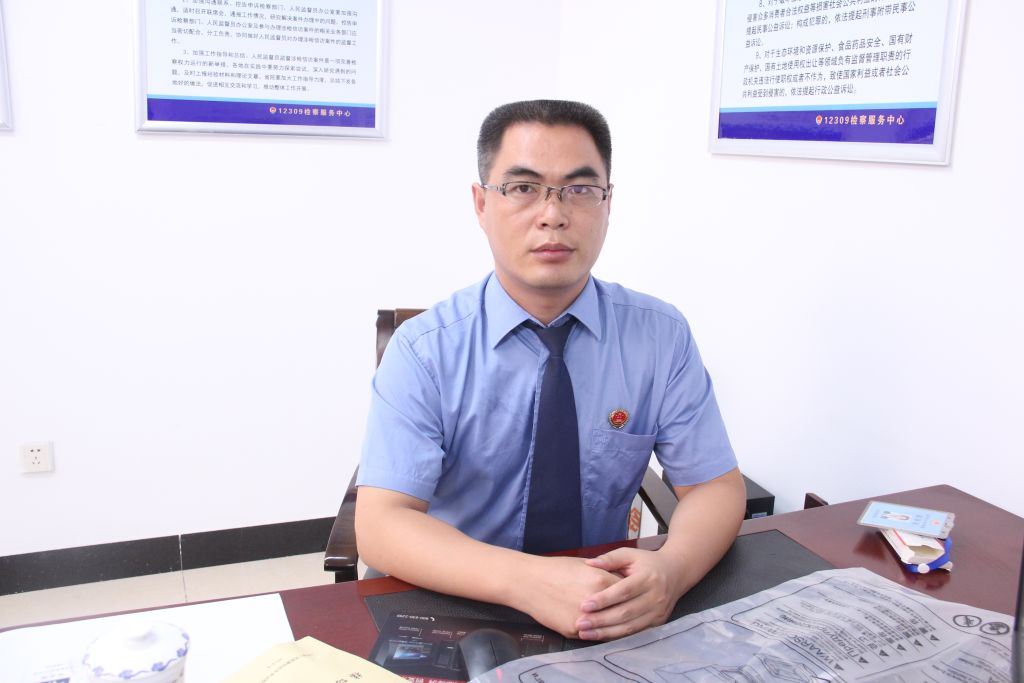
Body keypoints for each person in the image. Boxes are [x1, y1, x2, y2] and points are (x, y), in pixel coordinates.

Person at [355, 99, 746, 641]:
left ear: (608, 204)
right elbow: (382, 523)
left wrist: (672, 569)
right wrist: (525, 582)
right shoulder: (424, 350)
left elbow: (715, 487)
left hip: (604, 605)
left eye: (580, 189)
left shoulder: (660, 336)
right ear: (481, 204)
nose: (553, 214)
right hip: (460, 600)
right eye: (523, 187)